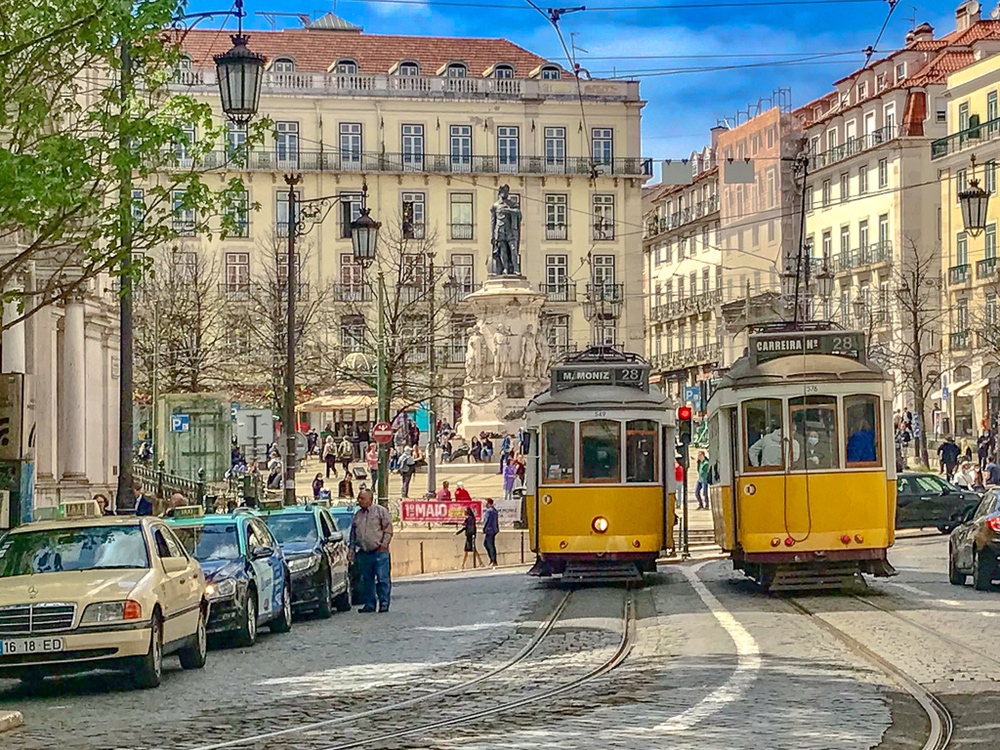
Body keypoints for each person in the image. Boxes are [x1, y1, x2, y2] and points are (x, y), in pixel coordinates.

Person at [350, 489, 393, 613]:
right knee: (366, 580)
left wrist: (384, 545)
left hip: (379, 552)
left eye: (362, 498)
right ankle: (370, 604)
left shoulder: (380, 511)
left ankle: (384, 603)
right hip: (364, 553)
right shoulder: (357, 515)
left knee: (382, 579)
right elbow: (353, 535)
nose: (359, 501)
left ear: (370, 499)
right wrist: (351, 550)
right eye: (358, 498)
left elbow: (388, 529)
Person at [482, 498, 499, 568]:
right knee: (488, 544)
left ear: (489, 503)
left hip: (489, 530)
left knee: (489, 545)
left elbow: (487, 521)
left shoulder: (489, 511)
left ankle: (493, 560)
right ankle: (493, 560)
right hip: (494, 530)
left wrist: (484, 529)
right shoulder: (495, 511)